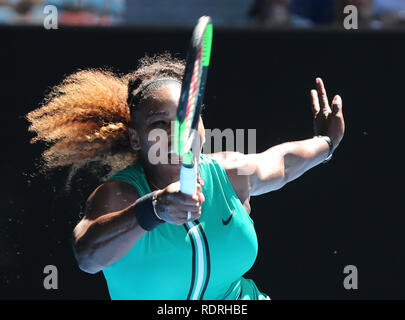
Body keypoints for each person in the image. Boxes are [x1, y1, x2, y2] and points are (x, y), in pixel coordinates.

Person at [25, 53, 345, 300]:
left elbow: (283, 163)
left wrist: (326, 142)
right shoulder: (118, 194)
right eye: (160, 123)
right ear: (137, 139)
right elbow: (88, 256)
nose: (178, 133)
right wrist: (152, 210)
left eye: (187, 118)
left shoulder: (229, 172)